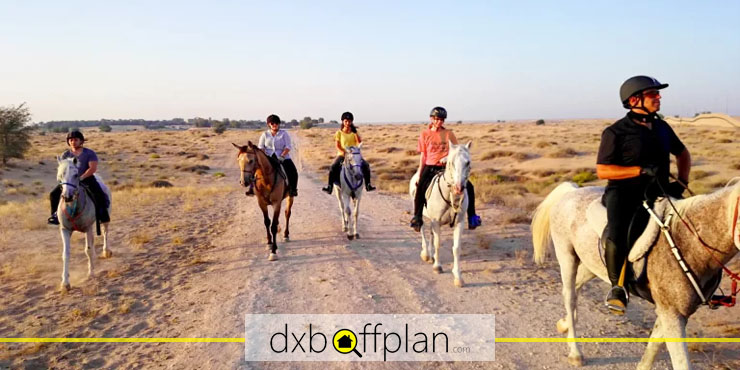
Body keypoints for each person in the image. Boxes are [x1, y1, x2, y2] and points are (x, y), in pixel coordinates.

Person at [596, 75, 691, 314]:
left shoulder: (661, 127)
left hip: (659, 191)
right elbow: (603, 170)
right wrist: (638, 170)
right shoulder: (615, 132)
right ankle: (618, 287)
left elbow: (682, 153)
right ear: (635, 99)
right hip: (624, 193)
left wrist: (682, 181)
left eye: (658, 94)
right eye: (653, 94)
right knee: (617, 234)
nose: (658, 98)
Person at [409, 107, 481, 232]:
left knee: (469, 187)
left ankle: (472, 217)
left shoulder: (449, 134)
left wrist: (446, 157)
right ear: (432, 119)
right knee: (420, 187)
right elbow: (423, 156)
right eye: (437, 119)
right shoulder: (425, 134)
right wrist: (420, 173)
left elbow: (456, 151)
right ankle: (417, 217)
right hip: (430, 166)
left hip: (446, 166)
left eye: (442, 119)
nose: (439, 122)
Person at [48, 130, 110, 225]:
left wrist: (82, 177)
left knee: (99, 194)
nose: (73, 142)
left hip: (87, 178)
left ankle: (102, 215)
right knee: (53, 194)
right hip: (70, 181)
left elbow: (92, 168)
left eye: (76, 139)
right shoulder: (65, 155)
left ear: (81, 141)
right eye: (71, 140)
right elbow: (63, 169)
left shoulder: (89, 153)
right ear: (68, 141)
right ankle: (55, 215)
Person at [321, 112, 376, 194]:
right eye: (346, 121)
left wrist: (356, 134)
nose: (347, 123)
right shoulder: (339, 133)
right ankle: (330, 187)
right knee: (333, 167)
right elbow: (337, 145)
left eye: (349, 121)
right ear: (343, 121)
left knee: (366, 165)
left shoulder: (354, 132)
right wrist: (344, 152)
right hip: (342, 155)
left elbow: (359, 143)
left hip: (353, 155)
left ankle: (368, 185)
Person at [254, 114, 298, 197]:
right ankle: (252, 189)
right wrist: (264, 156)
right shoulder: (265, 134)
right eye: (272, 123)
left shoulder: (284, 133)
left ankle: (293, 189)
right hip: (268, 157)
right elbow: (261, 147)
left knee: (293, 172)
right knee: (254, 169)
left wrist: (282, 156)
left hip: (282, 157)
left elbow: (288, 146)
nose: (275, 125)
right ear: (269, 124)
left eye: (277, 123)